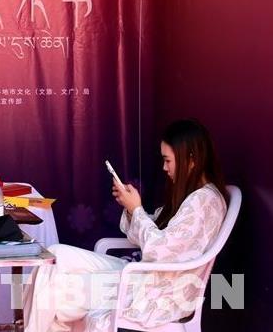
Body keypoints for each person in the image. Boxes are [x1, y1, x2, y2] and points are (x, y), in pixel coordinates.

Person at [23, 119, 229, 332]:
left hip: (157, 291)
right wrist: (131, 209)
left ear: (191, 159)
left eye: (168, 160)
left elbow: (160, 251)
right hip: (144, 276)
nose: (164, 167)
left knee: (53, 290)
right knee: (54, 256)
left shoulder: (204, 202)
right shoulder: (194, 196)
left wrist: (137, 209)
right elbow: (157, 232)